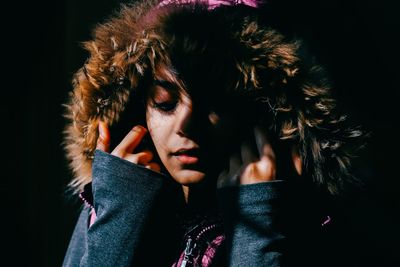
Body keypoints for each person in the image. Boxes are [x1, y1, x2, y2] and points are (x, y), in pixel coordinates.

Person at [62, 0, 364, 266]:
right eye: (165, 104)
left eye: (215, 103)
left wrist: (256, 226)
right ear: (139, 108)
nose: (186, 125)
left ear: (261, 108)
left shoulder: (306, 223)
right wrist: (119, 219)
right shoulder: (112, 202)